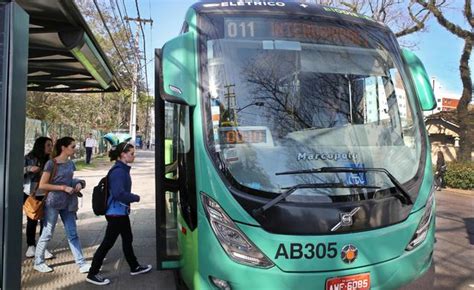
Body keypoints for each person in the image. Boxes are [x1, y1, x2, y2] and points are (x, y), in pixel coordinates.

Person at [86, 142, 151, 285]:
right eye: (131, 153)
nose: (134, 156)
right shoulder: (119, 172)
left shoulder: (121, 169)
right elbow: (118, 193)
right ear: (123, 154)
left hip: (119, 212)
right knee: (107, 243)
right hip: (116, 213)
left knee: (127, 238)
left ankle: (134, 266)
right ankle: (92, 273)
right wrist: (135, 197)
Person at [34, 137, 90, 273]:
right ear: (63, 148)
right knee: (47, 232)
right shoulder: (51, 164)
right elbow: (42, 185)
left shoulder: (71, 164)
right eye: (72, 146)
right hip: (53, 203)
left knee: (72, 233)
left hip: (69, 203)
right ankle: (38, 261)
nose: (75, 148)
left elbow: (69, 179)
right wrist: (63, 188)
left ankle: (81, 263)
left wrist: (78, 183)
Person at [23, 137, 54, 259]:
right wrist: (28, 169)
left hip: (46, 193)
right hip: (31, 193)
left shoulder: (51, 160)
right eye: (48, 145)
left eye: (51, 145)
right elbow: (16, 171)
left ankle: (43, 246)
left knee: (45, 221)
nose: (50, 148)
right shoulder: (29, 158)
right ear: (41, 146)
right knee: (32, 219)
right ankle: (31, 245)